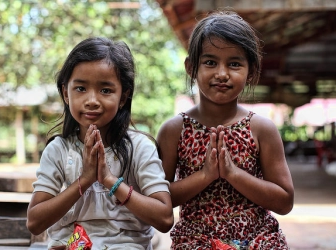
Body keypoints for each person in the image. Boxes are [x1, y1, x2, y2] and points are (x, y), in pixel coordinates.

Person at [157, 11, 294, 249]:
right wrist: (204, 176)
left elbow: (284, 202)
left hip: (258, 241)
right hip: (196, 242)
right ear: (191, 67)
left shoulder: (261, 129)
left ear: (250, 71)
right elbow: (158, 201)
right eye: (210, 62)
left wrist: (233, 174)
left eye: (234, 64)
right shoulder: (174, 130)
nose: (222, 74)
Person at [26, 37, 174, 250]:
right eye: (80, 88)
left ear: (123, 97)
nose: (92, 100)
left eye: (105, 90)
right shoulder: (58, 151)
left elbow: (165, 218)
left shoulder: (140, 148)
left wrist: (110, 180)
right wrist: (84, 180)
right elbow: (34, 222)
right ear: (65, 93)